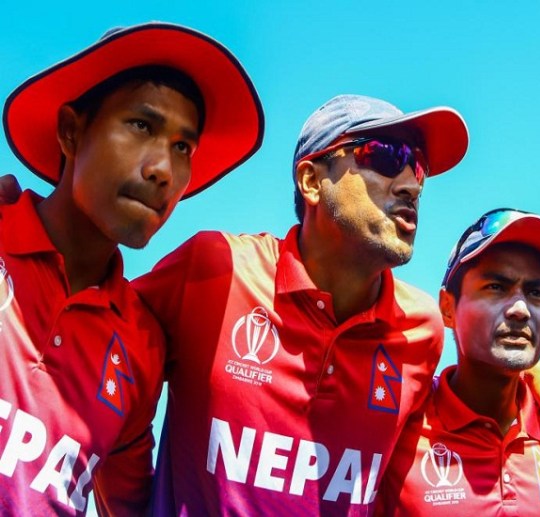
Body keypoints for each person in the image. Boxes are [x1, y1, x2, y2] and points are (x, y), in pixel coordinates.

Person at [133, 94, 470, 514]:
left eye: (417, 166)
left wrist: (538, 386)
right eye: (385, 155)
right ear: (311, 181)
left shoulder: (421, 330)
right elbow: (95, 342)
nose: (411, 185)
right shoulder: (215, 269)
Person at [0, 22, 263, 516]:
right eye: (142, 125)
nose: (163, 169)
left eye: (183, 148)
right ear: (71, 131)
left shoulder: (140, 347)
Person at [376, 208, 540, 516]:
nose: (521, 309)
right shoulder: (397, 426)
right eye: (496, 287)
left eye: (536, 293)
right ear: (447, 309)